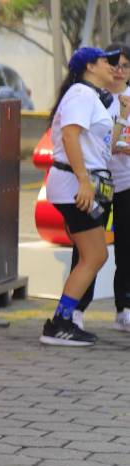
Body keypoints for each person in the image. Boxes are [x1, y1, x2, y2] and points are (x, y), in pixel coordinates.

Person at [40, 46, 127, 347]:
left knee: (94, 254)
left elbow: (105, 145)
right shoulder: (80, 94)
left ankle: (63, 319)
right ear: (90, 66)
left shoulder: (91, 97)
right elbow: (69, 135)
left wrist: (124, 115)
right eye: (107, 62)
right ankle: (60, 323)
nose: (113, 68)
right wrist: (83, 182)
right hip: (76, 185)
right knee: (95, 255)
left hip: (84, 184)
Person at [105, 44, 130, 331]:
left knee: (126, 247)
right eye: (114, 64)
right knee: (89, 250)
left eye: (125, 65)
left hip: (126, 182)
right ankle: (74, 310)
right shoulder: (96, 97)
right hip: (97, 180)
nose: (119, 70)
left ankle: (123, 307)